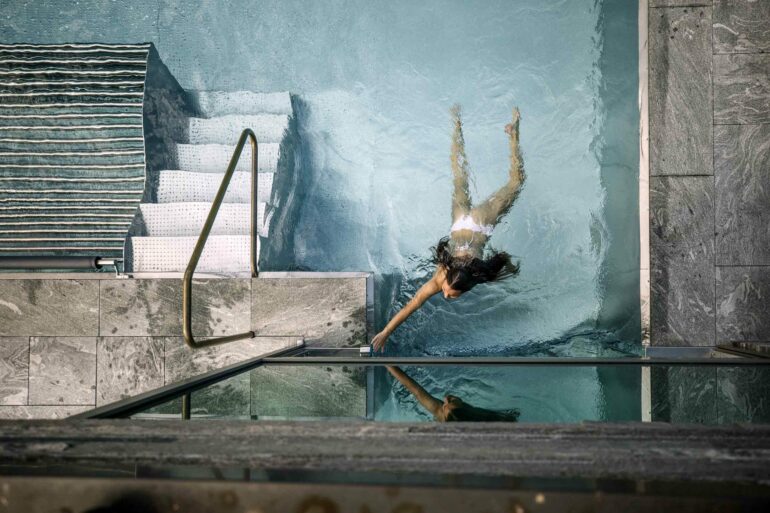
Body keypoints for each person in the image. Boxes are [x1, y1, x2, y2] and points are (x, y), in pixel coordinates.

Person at [372, 105, 526, 352]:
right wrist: (386, 332)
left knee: (463, 175)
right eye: (450, 293)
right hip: (469, 221)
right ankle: (507, 132)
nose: (444, 295)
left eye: (449, 294)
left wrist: (386, 331)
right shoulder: (446, 276)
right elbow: (413, 304)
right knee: (494, 179)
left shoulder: (473, 273)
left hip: (472, 222)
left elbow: (414, 305)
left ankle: (458, 124)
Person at [386, 366, 520, 422]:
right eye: (450, 402)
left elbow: (416, 391)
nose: (446, 398)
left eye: (445, 405)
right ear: (465, 407)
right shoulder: (481, 416)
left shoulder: (441, 415)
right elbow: (415, 389)